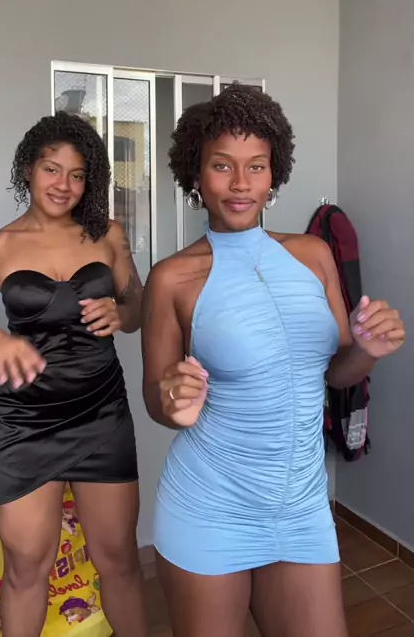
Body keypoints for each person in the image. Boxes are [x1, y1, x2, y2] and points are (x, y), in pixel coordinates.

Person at [141, 84, 406, 637]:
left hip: (302, 505)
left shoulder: (313, 255)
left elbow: (336, 373)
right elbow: (155, 397)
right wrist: (172, 402)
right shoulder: (171, 279)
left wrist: (367, 351)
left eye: (256, 167)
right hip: (210, 504)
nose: (241, 183)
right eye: (222, 166)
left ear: (273, 175)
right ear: (196, 176)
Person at [0, 111, 148, 637]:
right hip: (26, 422)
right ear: (28, 169)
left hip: (102, 413)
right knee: (27, 567)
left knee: (119, 558)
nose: (64, 185)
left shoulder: (108, 235)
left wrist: (122, 313)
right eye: (52, 169)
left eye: (77, 175)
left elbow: (138, 304)